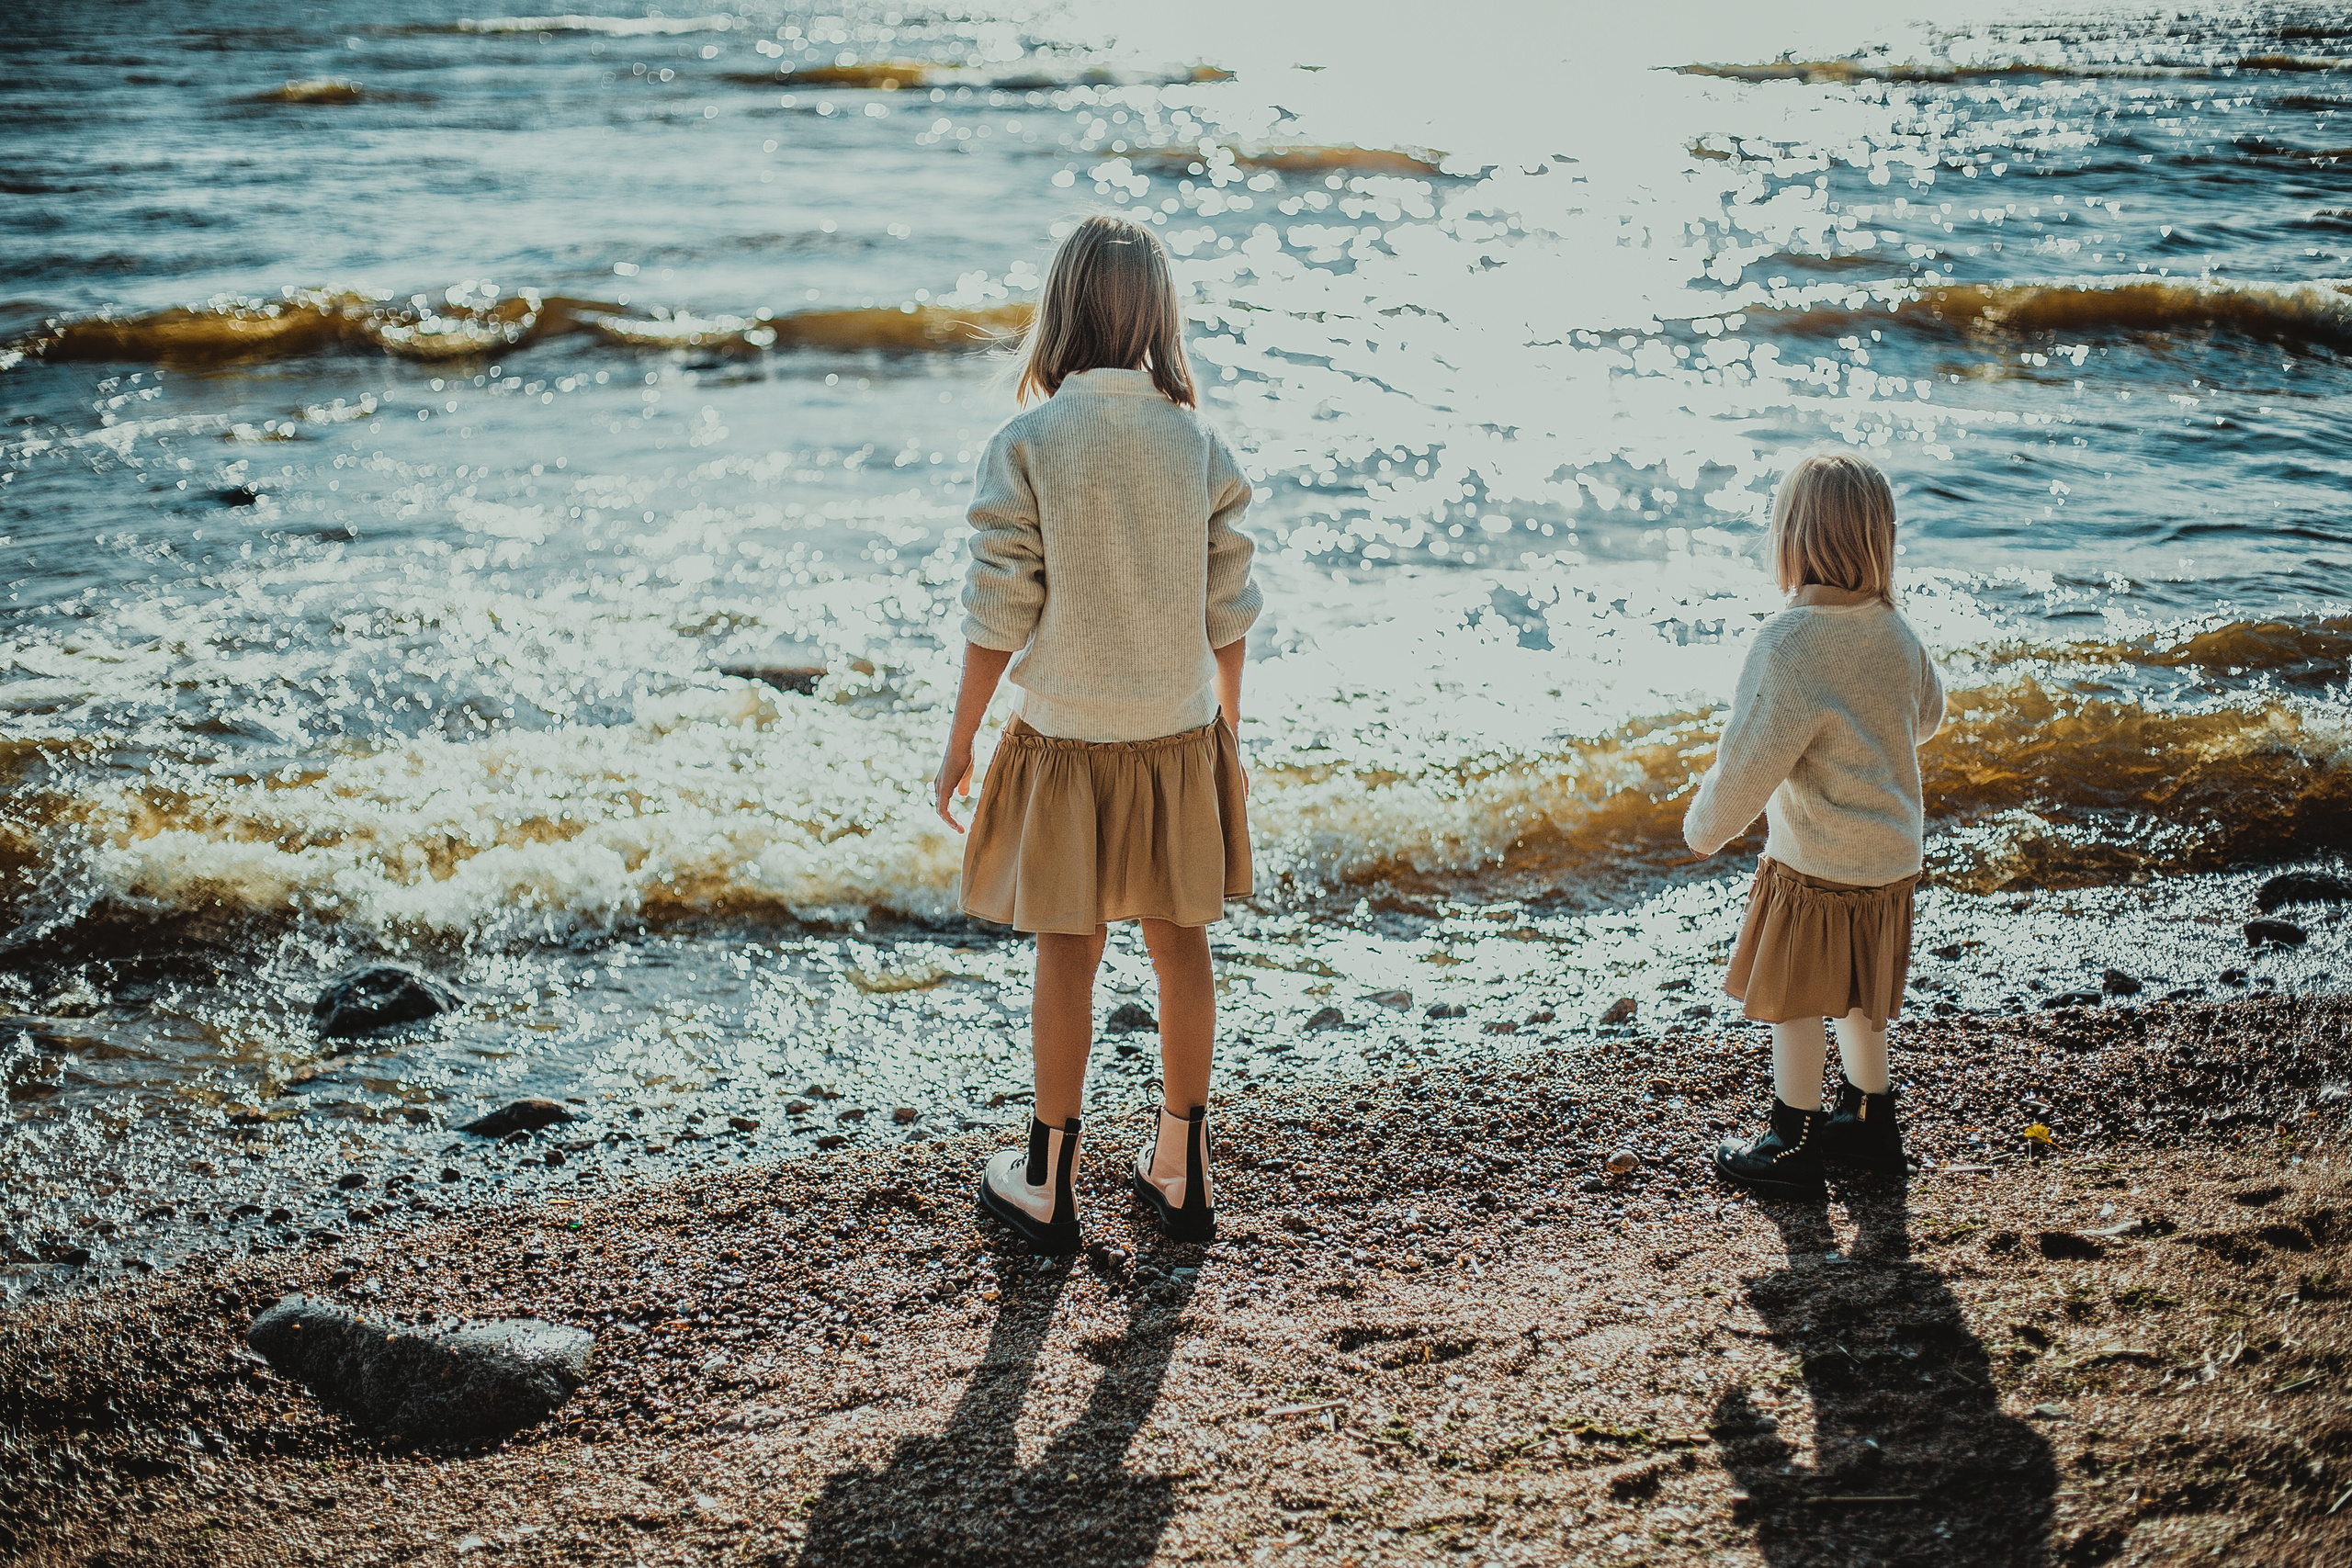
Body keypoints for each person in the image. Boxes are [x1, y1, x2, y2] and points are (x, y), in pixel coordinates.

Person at [933, 214, 1260, 1253]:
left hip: (1063, 740)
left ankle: (1048, 1172)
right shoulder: (1197, 440)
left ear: (1059, 313)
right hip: (1175, 735)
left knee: (1067, 951)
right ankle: (1182, 1160)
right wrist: (1227, 740)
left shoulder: (1027, 442)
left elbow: (1000, 613)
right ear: (1161, 318)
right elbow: (1230, 613)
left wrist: (960, 742)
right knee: (1181, 945)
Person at [1683, 451, 1947, 1198]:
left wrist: (1706, 827)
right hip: (1890, 860)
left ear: (1791, 540)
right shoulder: (1894, 631)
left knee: (1796, 999)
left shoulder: (1786, 644)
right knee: (1863, 996)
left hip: (1815, 865)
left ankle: (1791, 1139)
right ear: (1877, 541)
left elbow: (1748, 762)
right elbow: (1927, 715)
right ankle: (1871, 1120)